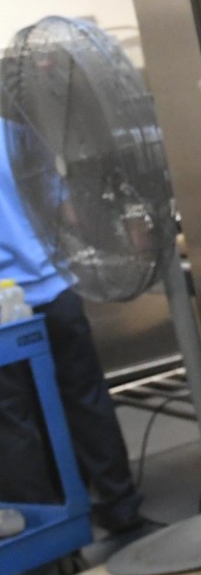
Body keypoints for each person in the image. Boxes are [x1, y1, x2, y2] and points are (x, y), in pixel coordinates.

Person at [0, 132, 144, 533]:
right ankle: (120, 504)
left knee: (13, 422)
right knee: (85, 398)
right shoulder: (15, 132)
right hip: (55, 291)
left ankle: (44, 531)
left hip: (2, 310)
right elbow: (68, 211)